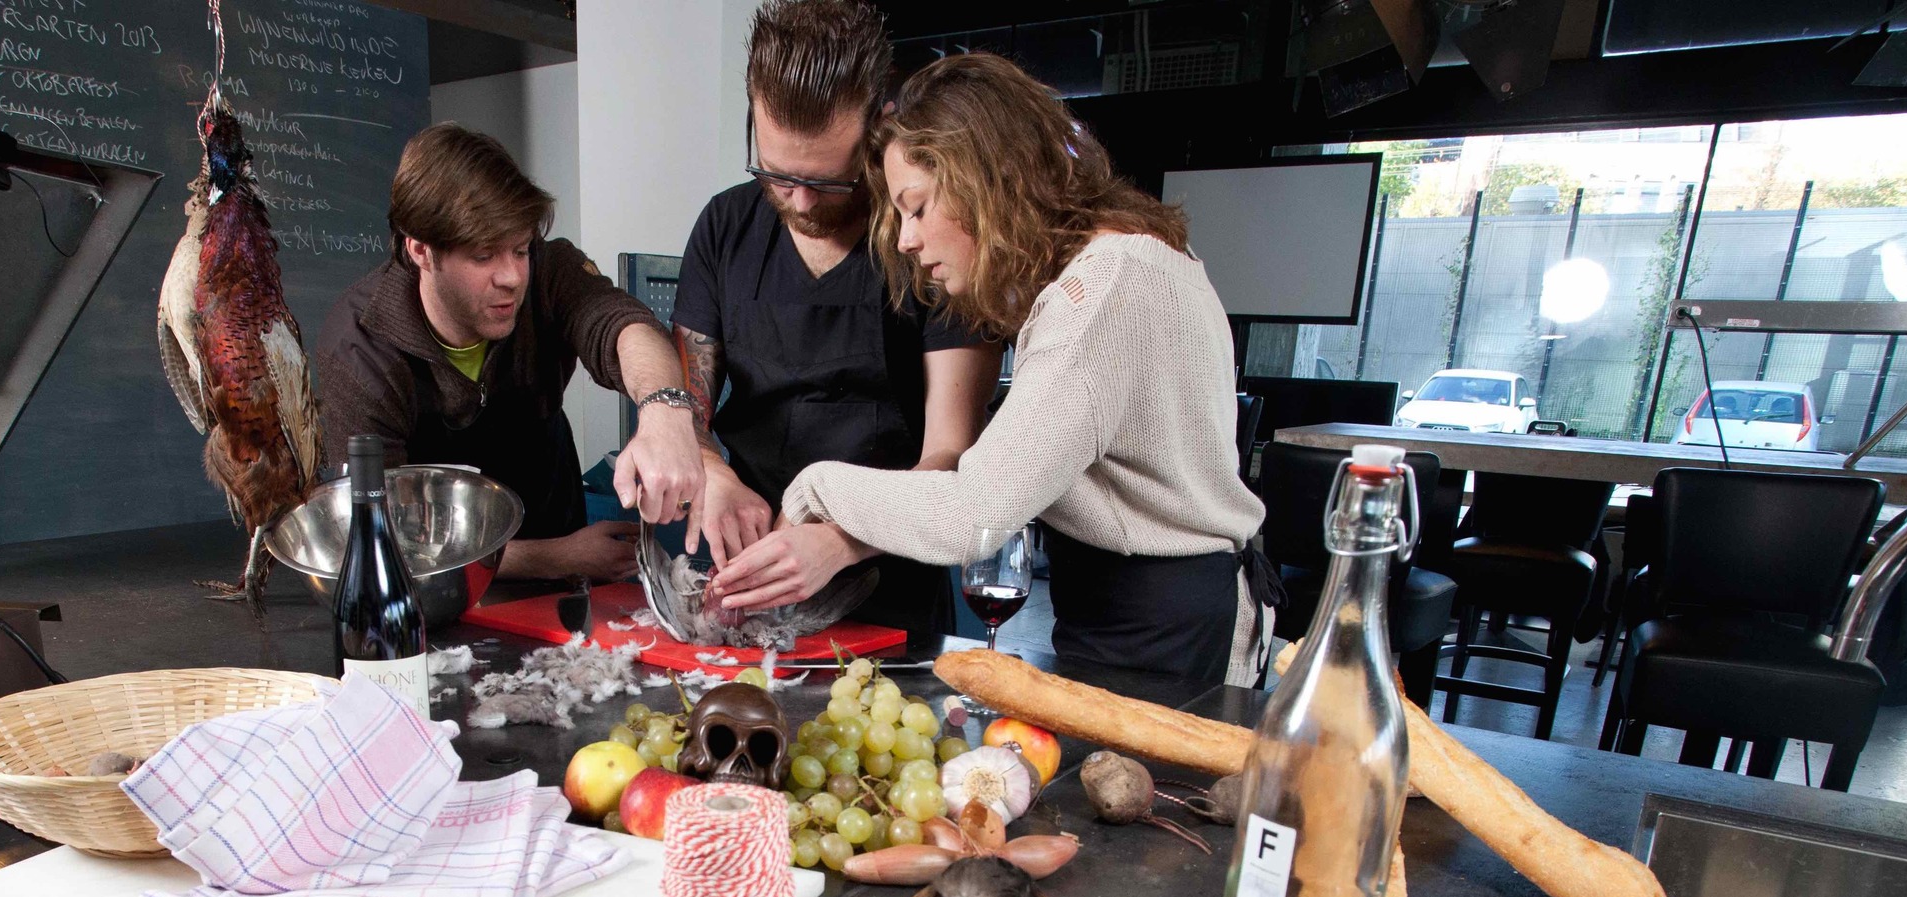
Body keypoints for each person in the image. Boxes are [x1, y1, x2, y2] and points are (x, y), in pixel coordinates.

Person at [708, 53, 1270, 684]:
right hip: (1148, 605)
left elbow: (971, 517)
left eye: (918, 207)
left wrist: (814, 486)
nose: (906, 240)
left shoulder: (1100, 294)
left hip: (1162, 625)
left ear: (987, 181)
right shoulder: (1136, 258)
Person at [672, 0, 998, 633]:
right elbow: (688, 406)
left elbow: (952, 458)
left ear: (880, 126)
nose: (799, 202)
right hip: (747, 572)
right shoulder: (724, 226)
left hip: (891, 580)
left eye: (828, 182)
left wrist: (839, 540)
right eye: (776, 175)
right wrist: (713, 472)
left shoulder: (932, 237)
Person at [316, 124, 704, 583]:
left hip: (553, 526)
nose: (512, 278)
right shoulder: (359, 350)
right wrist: (558, 557)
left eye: (519, 250)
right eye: (483, 256)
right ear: (421, 249)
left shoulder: (548, 270)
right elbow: (379, 538)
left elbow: (622, 325)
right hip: (435, 587)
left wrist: (664, 411)